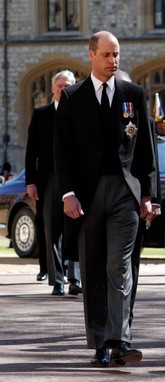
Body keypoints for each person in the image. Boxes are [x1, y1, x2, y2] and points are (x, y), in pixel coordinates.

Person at [54, 31, 157, 368]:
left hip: (125, 192)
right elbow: (63, 152)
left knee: (120, 265)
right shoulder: (72, 96)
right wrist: (68, 194)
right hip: (87, 194)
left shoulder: (133, 93)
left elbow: (146, 151)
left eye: (117, 55)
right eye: (107, 55)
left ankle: (120, 339)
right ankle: (99, 340)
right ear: (91, 55)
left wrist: (148, 196)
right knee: (94, 266)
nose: (114, 61)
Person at [25, 70, 82, 296]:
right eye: (60, 85)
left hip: (76, 180)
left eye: (68, 85)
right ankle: (57, 280)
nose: (64, 89)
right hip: (49, 180)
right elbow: (31, 152)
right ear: (52, 88)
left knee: (75, 228)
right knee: (52, 230)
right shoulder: (41, 115)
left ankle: (75, 279)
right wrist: (31, 181)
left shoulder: (80, 114)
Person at [113, 69, 162, 328]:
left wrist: (153, 199)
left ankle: (125, 318)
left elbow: (151, 164)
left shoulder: (146, 122)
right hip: (106, 202)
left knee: (130, 265)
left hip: (134, 203)